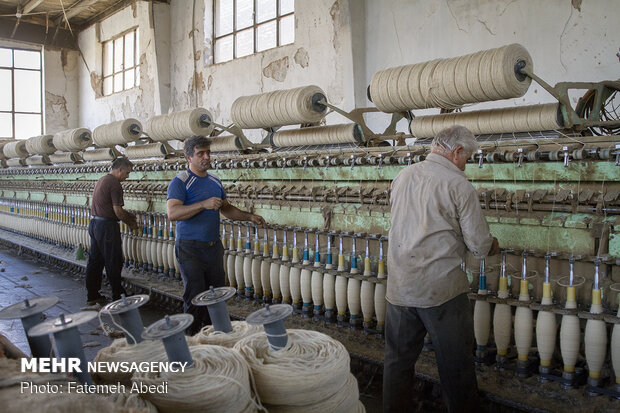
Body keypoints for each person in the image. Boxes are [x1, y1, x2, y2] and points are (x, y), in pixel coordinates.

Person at [384, 125, 500, 413]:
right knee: (456, 366)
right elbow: (478, 242)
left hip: (399, 287)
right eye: (467, 158)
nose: (466, 164)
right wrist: (492, 246)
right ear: (457, 152)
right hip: (441, 292)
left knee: (397, 363)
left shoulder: (402, 176)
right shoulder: (458, 184)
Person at [167, 135, 266, 334]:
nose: (206, 157)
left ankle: (214, 336)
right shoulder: (180, 182)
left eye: (208, 153)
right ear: (189, 158)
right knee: (195, 295)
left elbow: (226, 208)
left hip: (212, 248)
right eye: (200, 154)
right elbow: (173, 213)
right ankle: (193, 340)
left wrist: (249, 216)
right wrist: (203, 204)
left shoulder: (214, 181)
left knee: (216, 295)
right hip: (190, 248)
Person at [86, 157, 138, 306]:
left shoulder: (102, 180)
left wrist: (128, 215)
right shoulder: (115, 184)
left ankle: (92, 295)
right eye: (127, 173)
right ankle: (118, 296)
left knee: (95, 261)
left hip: (95, 223)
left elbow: (112, 208)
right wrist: (131, 223)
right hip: (107, 227)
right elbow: (117, 211)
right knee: (113, 260)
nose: (127, 177)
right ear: (119, 169)